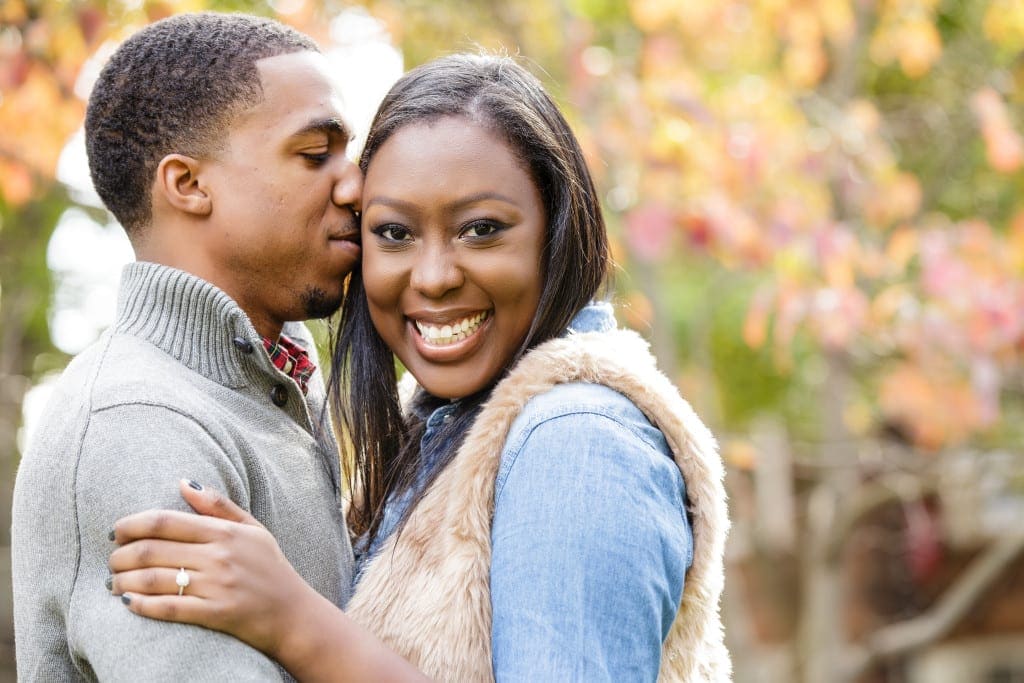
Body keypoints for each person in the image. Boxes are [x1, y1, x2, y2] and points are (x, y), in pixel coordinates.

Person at [107, 54, 731, 681]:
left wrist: (295, 621)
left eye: (481, 229)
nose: (433, 278)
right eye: (396, 234)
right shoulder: (438, 432)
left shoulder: (575, 441)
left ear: (558, 229)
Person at [11, 12, 419, 682]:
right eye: (316, 155)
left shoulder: (276, 382)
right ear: (188, 184)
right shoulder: (139, 427)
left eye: (350, 157)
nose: (355, 187)